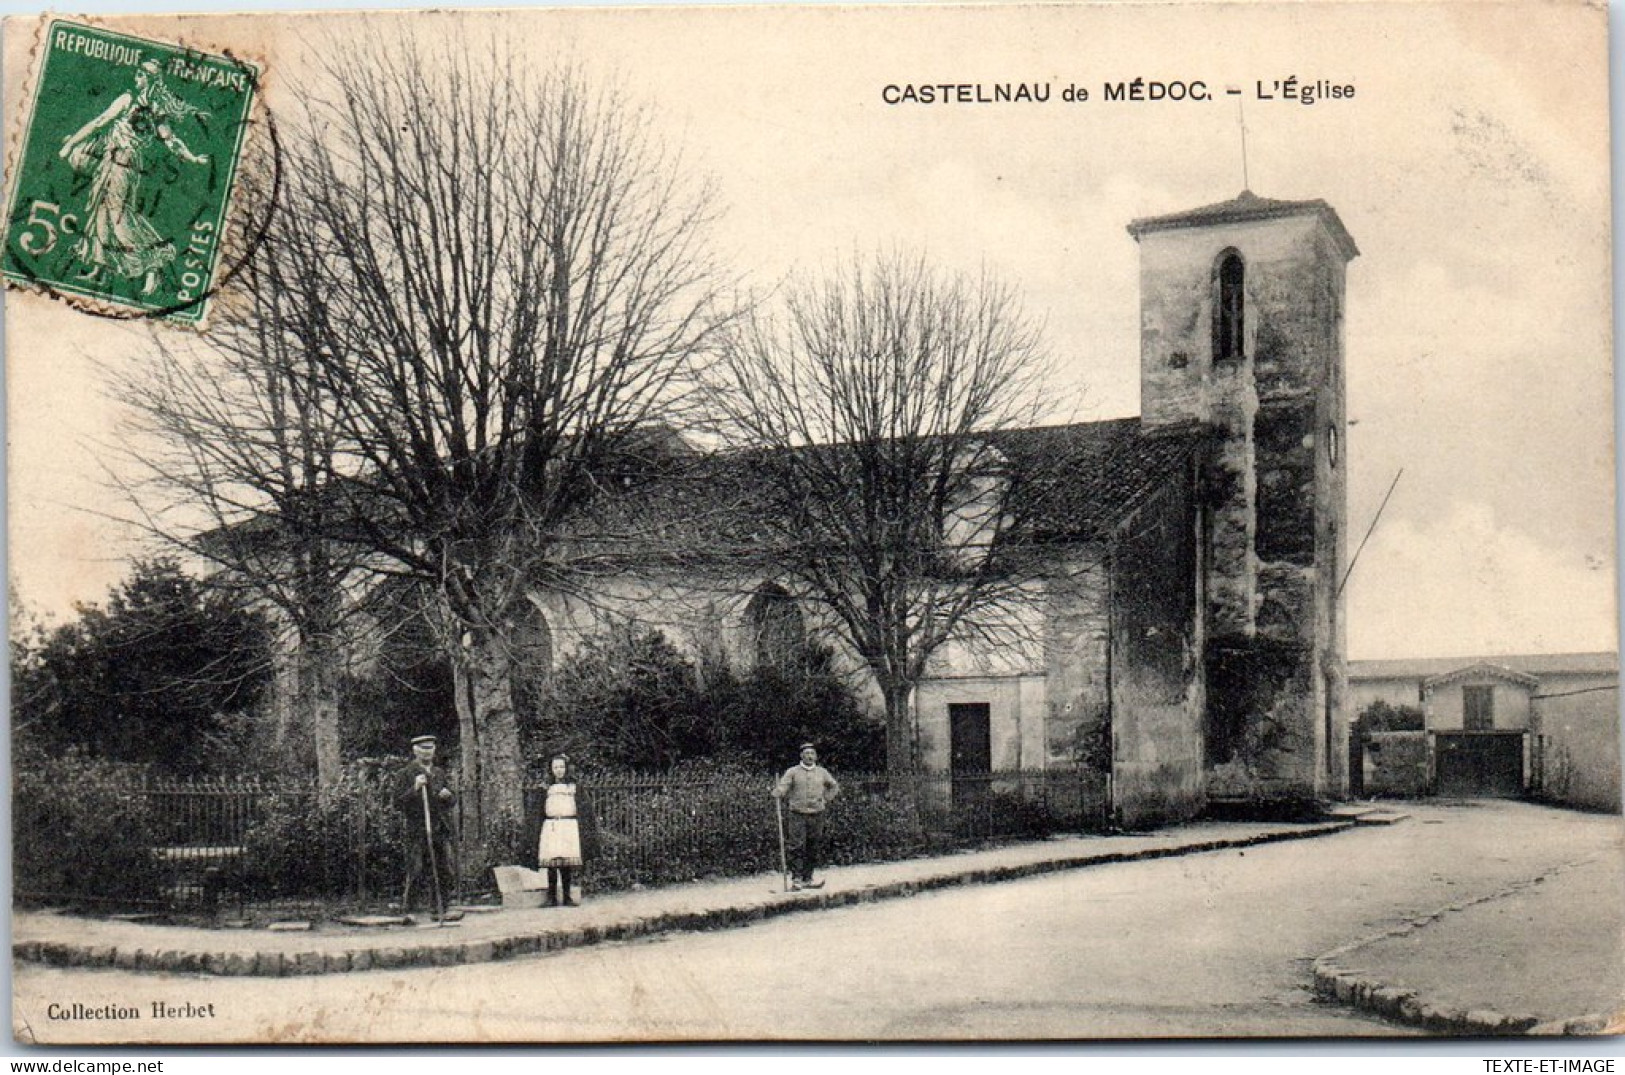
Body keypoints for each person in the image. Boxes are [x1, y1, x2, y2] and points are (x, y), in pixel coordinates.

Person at [57, 58, 211, 296]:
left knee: (119, 218)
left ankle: (154, 265)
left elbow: (170, 140)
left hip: (124, 167)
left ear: (148, 80)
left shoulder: (144, 107)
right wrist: (74, 144)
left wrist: (192, 157)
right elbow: (100, 123)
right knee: (101, 213)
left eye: (140, 75)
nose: (136, 78)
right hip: (113, 163)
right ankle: (100, 269)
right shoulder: (135, 103)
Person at [392, 734, 456, 918]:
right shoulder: (405, 774)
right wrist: (414, 789)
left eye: (430, 748)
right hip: (417, 828)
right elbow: (397, 803)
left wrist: (448, 796)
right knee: (417, 869)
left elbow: (452, 800)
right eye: (423, 748)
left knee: (443, 869)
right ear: (415, 750)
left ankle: (440, 909)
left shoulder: (439, 773)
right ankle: (410, 911)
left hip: (438, 828)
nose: (427, 752)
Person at [772, 743, 840, 890]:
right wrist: (779, 791)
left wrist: (826, 798)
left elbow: (834, 786)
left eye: (812, 754)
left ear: (815, 756)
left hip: (817, 813)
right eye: (807, 753)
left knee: (813, 846)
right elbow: (784, 786)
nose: (809, 756)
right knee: (797, 845)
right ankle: (796, 879)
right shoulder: (793, 772)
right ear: (801, 756)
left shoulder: (822, 772)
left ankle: (807, 878)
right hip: (797, 814)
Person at [537, 755, 595, 906]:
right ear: (551, 769)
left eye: (561, 767)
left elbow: (583, 807)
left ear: (567, 768)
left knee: (566, 863)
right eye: (555, 767)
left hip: (568, 826)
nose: (559, 771)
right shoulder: (545, 787)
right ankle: (552, 898)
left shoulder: (574, 787)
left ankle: (567, 896)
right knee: (552, 862)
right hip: (551, 825)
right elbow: (538, 808)